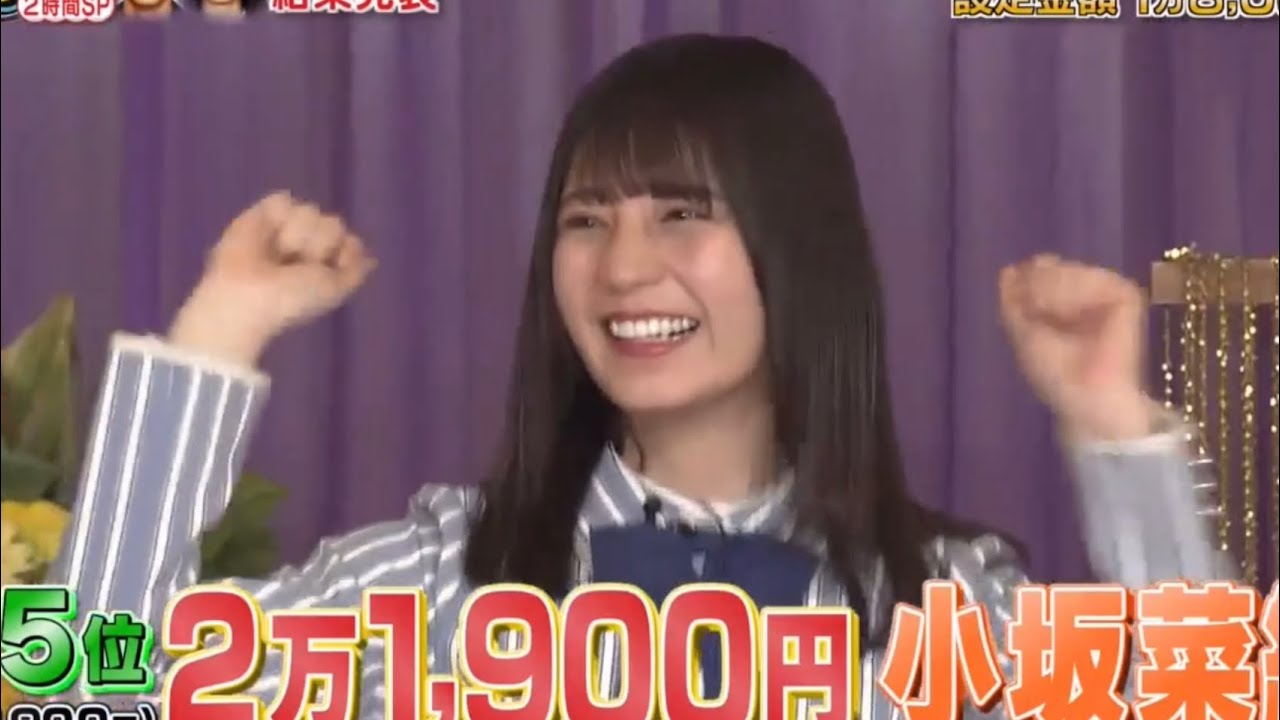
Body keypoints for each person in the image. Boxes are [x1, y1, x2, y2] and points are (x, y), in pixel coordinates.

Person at [49, 35, 1228, 718]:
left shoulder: (952, 605)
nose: (621, 269)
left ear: (796, 249)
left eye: (680, 213)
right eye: (585, 220)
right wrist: (220, 330)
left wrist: (1112, 427)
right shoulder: (429, 578)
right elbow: (82, 686)